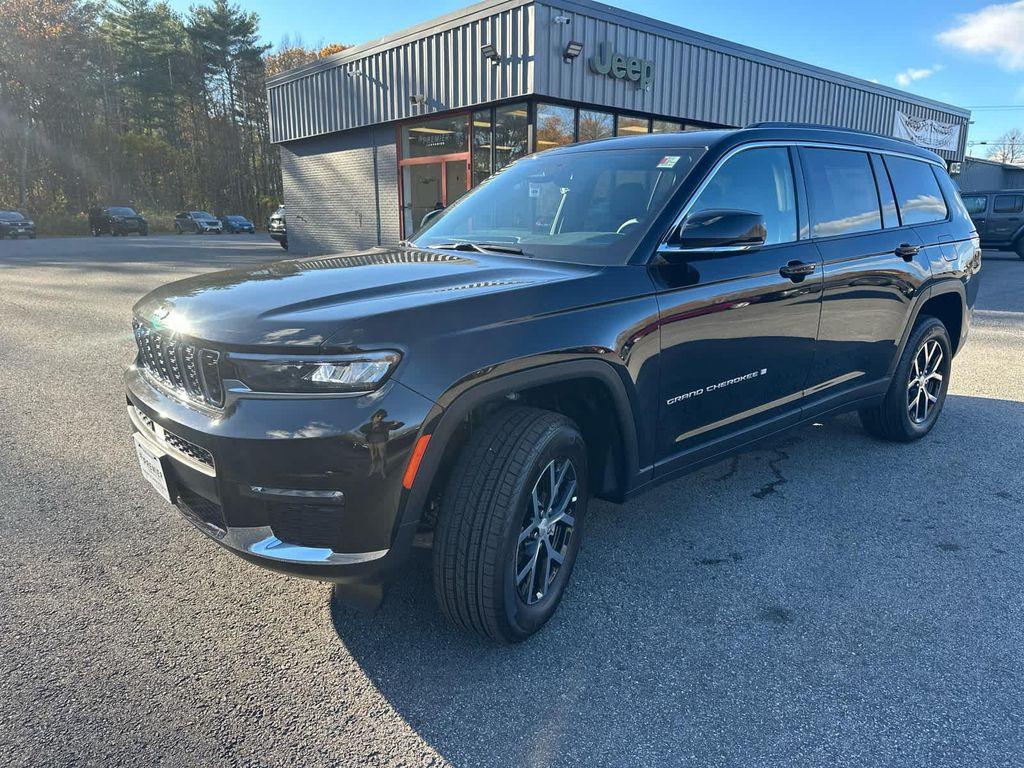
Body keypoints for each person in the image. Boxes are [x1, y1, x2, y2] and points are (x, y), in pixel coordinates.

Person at [360, 409, 404, 478]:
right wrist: (372, 429)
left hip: (381, 441)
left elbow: (395, 426)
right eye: (378, 416)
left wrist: (399, 423)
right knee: (373, 457)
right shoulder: (368, 425)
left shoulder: (384, 424)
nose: (380, 418)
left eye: (382, 416)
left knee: (383, 456)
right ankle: (373, 468)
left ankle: (383, 470)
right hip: (371, 442)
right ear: (373, 416)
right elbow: (361, 429)